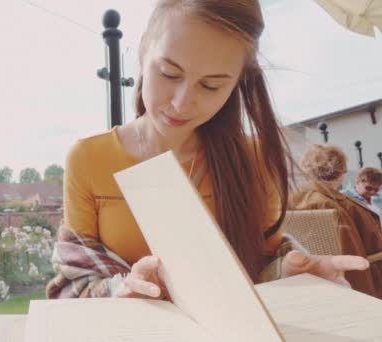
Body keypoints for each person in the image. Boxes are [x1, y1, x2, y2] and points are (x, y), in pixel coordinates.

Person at [46, 0, 369, 300]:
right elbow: (74, 283)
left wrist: (291, 272)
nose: (181, 103)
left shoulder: (252, 159)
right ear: (144, 47)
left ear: (238, 82)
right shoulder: (89, 158)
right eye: (169, 73)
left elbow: (264, 261)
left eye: (211, 85)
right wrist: (122, 289)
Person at [290, 144, 382, 298]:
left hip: (308, 279)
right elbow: (365, 251)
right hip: (357, 281)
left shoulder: (290, 202)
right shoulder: (344, 206)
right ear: (342, 173)